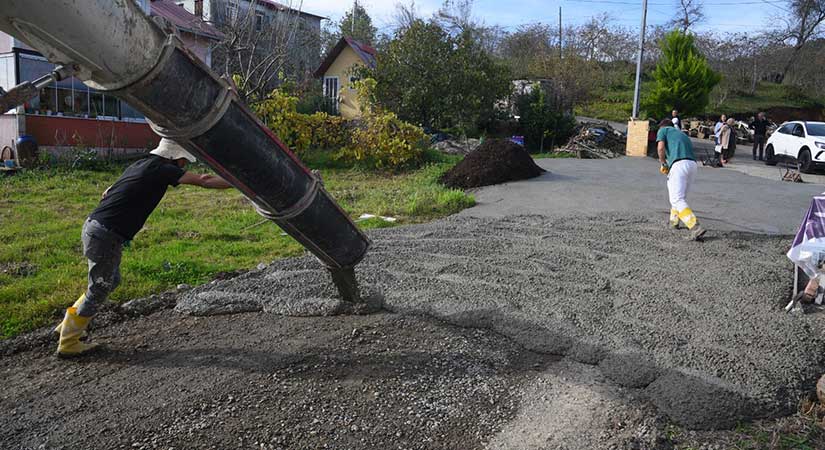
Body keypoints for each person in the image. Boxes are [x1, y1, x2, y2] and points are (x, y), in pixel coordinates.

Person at [54, 138, 233, 357]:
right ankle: (69, 342)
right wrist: (240, 183)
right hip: (105, 233)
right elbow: (204, 180)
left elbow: (108, 191)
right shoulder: (162, 168)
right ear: (175, 157)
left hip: (95, 227)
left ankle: (68, 326)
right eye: (184, 160)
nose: (185, 164)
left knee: (110, 281)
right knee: (100, 287)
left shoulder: (140, 164)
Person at [657, 119, 706, 241]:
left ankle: (695, 226)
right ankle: (674, 222)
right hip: (692, 165)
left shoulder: (663, 130)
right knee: (679, 197)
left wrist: (663, 163)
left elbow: (661, 148)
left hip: (678, 165)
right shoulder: (681, 134)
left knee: (677, 198)